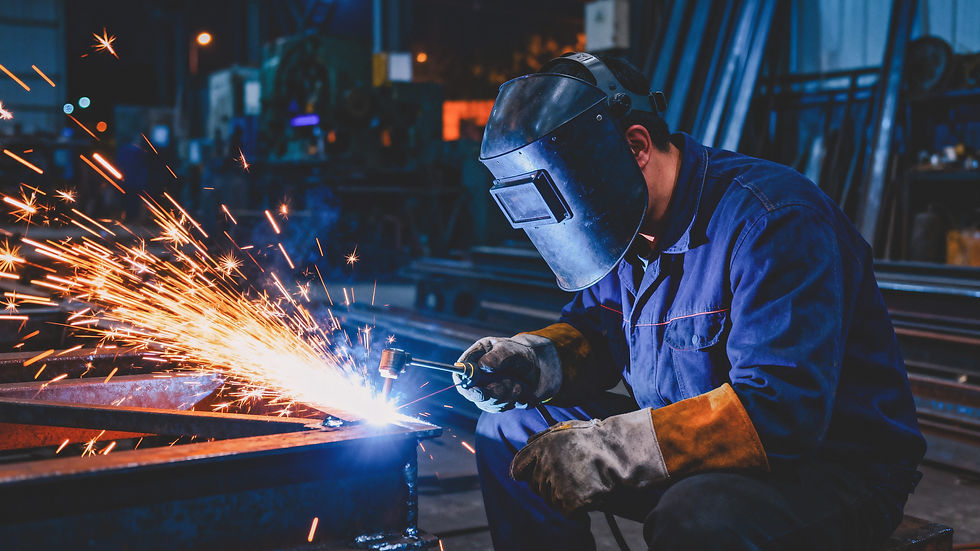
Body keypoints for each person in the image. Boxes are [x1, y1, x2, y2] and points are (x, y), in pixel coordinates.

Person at [457, 52, 925, 550]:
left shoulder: (772, 221)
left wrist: (609, 451)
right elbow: (597, 329)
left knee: (696, 516)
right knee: (510, 428)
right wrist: (533, 360)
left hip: (829, 473)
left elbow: (781, 414)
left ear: (636, 145)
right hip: (686, 454)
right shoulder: (627, 231)